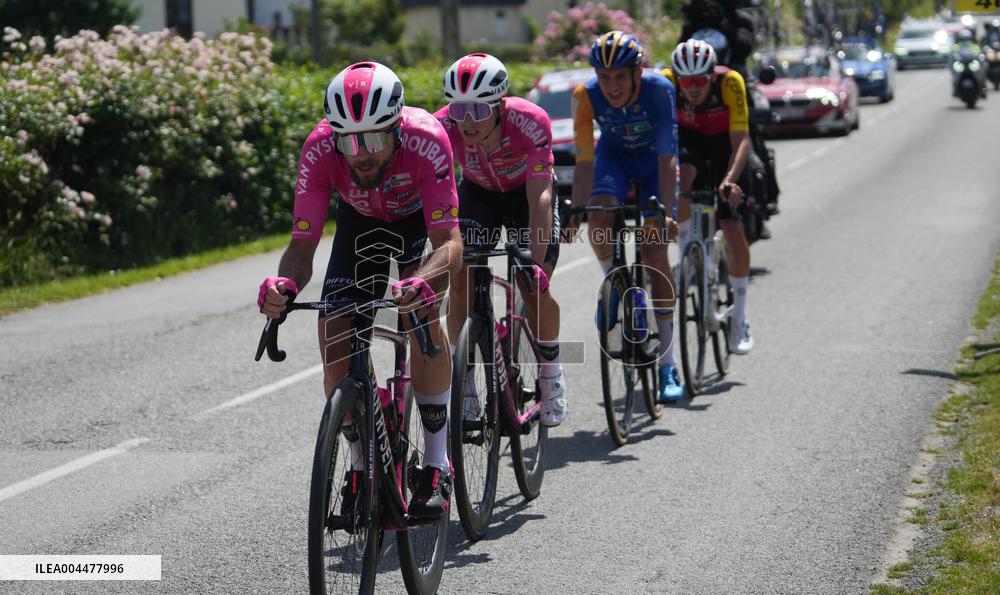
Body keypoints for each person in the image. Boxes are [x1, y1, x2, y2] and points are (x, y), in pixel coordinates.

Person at [257, 62, 464, 520]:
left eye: (372, 139)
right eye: (349, 141)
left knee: (421, 317)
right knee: (334, 338)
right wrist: (284, 285)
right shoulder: (319, 149)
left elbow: (450, 244)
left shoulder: (428, 138)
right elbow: (302, 246)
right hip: (361, 224)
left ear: (396, 129)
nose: (361, 153)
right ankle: (359, 465)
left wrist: (422, 281)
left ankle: (437, 462)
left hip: (418, 223)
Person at [433, 53, 567, 426]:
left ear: (500, 105)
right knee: (462, 277)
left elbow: (540, 198)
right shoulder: (442, 127)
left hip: (527, 196)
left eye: (478, 110)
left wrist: (537, 263)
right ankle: (466, 386)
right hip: (480, 195)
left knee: (533, 286)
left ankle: (552, 375)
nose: (467, 121)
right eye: (459, 109)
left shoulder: (530, 120)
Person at [565, 30, 684, 401]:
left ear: (637, 73)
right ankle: (614, 284)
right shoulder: (585, 96)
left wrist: (666, 213)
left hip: (654, 166)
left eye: (620, 76)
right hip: (613, 159)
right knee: (598, 216)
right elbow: (585, 160)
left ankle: (668, 364)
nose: (612, 86)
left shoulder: (659, 90)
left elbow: (667, 158)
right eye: (604, 77)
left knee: (654, 251)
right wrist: (576, 209)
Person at [663, 39, 755, 357]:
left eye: (699, 80)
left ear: (712, 75)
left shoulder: (730, 82)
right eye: (685, 81)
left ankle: (740, 316)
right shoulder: (666, 82)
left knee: (732, 228)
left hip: (726, 147)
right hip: (691, 143)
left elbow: (741, 140)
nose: (692, 88)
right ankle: (688, 253)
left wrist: (729, 180)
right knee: (683, 179)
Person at [679, 0, 755, 77]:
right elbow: (682, 48)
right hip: (696, 72)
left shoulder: (739, 18)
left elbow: (744, 49)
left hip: (731, 69)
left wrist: (723, 24)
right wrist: (695, 15)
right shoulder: (695, 17)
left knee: (741, 75)